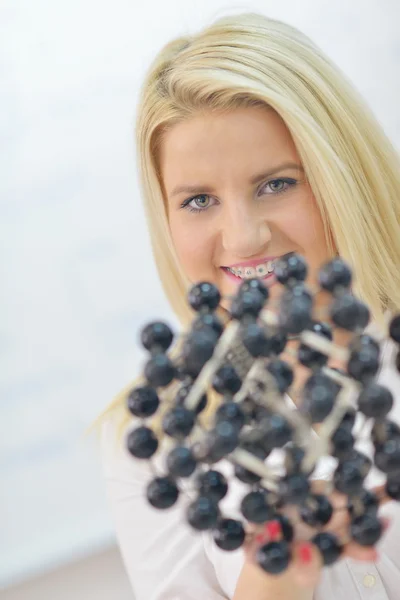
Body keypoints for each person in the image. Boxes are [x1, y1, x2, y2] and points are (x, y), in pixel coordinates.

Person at [99, 12, 400, 600]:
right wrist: (276, 583)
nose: (242, 239)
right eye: (199, 200)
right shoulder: (158, 437)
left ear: (344, 175)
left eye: (276, 184)